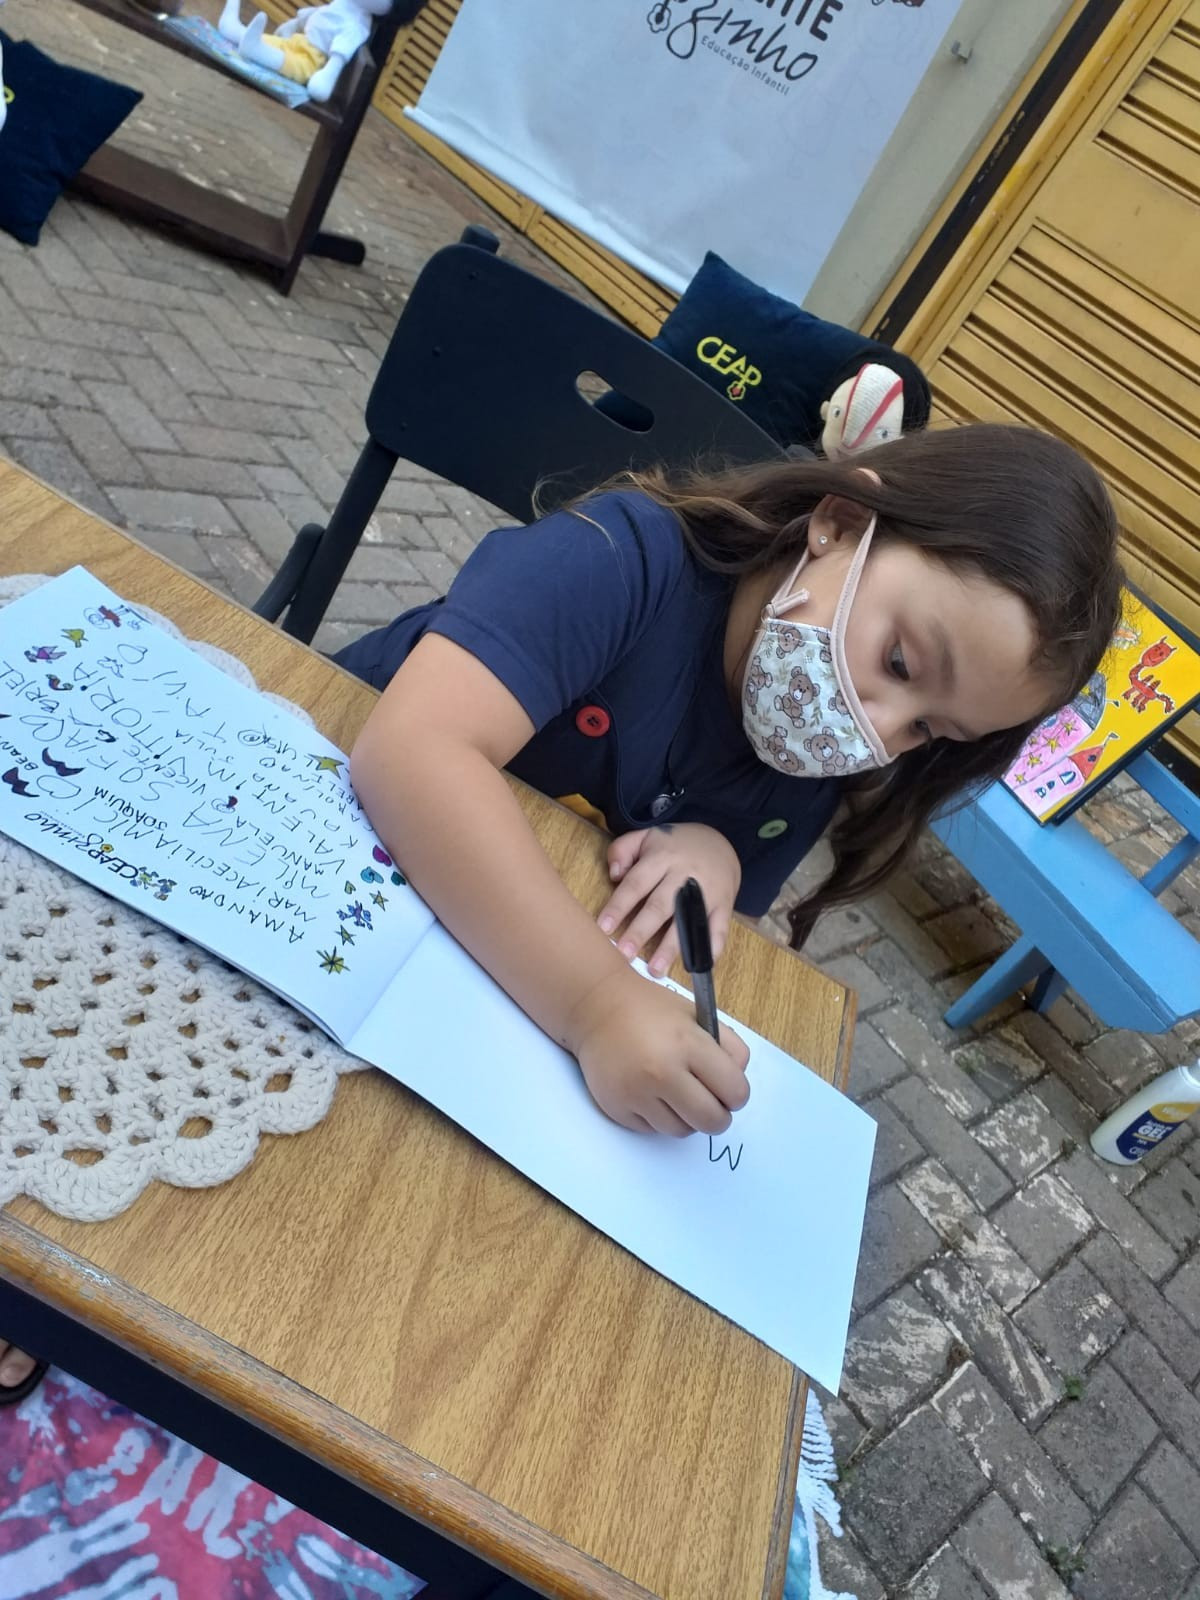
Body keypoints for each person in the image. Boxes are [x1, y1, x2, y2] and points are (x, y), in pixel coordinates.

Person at [337, 423, 1123, 1142]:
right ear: (842, 522)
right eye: (899, 662)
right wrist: (596, 1005)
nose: (873, 731)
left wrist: (719, 855)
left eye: (927, 731)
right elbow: (413, 749)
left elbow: (714, 924)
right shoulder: (623, 559)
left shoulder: (810, 765)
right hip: (319, 808)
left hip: (445, 992)